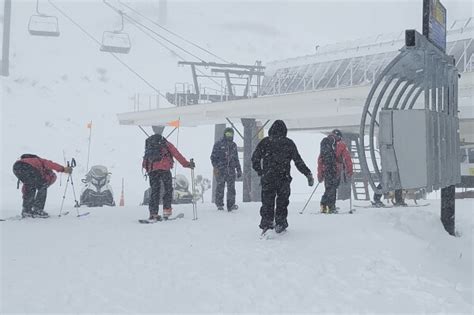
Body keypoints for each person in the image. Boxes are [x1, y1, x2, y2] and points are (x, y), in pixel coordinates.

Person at [252, 120, 314, 233]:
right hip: (283, 178)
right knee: (282, 202)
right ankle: (280, 223)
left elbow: (255, 158)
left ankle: (267, 223)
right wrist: (307, 173)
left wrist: (260, 171)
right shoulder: (288, 143)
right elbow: (298, 161)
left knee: (267, 202)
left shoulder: (265, 142)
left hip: (268, 178)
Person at [143, 133, 194, 221]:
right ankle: (166, 211)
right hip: (164, 168)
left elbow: (145, 160)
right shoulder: (165, 143)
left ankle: (153, 213)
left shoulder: (149, 145)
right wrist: (187, 164)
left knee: (155, 191)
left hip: (152, 170)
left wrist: (148, 168)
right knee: (168, 189)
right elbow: (177, 154)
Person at [12, 154, 73, 218]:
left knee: (30, 187)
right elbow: (52, 164)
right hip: (28, 167)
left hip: (16, 167)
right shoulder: (41, 161)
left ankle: (26, 210)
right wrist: (63, 169)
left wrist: (25, 197)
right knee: (42, 185)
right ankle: (38, 210)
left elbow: (25, 188)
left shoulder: (33, 164)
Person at [317, 129, 353, 213]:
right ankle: (331, 207)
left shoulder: (326, 143)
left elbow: (320, 160)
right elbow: (347, 158)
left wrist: (320, 174)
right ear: (340, 137)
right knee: (333, 188)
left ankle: (324, 205)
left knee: (328, 188)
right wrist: (349, 171)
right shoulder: (341, 145)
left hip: (326, 169)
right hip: (336, 170)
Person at [210, 127, 242, 211]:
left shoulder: (233, 145)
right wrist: (216, 166)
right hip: (221, 170)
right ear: (224, 134)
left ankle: (231, 204)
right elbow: (213, 157)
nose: (229, 136)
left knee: (231, 188)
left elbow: (236, 159)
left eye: (231, 134)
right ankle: (219, 204)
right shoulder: (218, 144)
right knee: (220, 187)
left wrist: (239, 170)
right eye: (227, 134)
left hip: (231, 170)